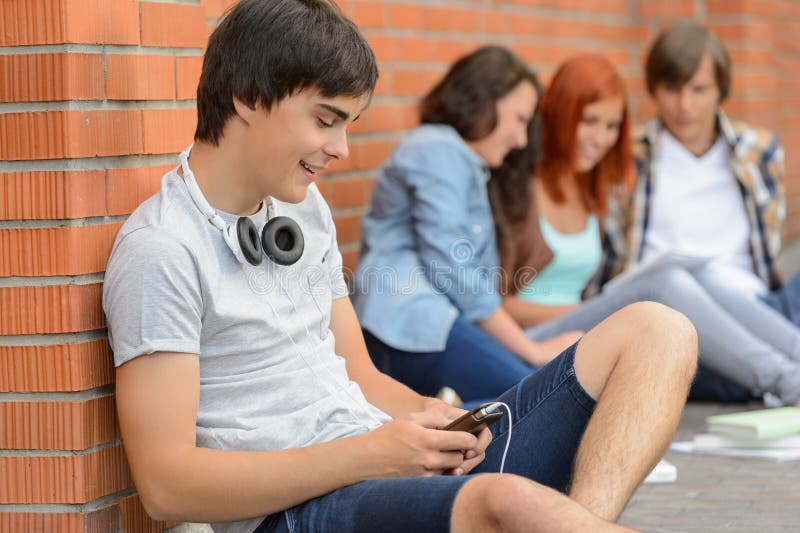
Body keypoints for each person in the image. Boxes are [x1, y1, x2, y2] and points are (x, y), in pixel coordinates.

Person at [103, 3, 697, 532]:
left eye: (347, 126)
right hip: (300, 508)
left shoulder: (301, 208)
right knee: (510, 505)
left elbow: (360, 376)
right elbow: (166, 486)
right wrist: (373, 455)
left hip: (382, 459)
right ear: (249, 98)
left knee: (659, 330)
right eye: (325, 119)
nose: (341, 150)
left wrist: (430, 417)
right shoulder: (163, 249)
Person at [488, 53, 777, 403]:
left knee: (702, 273)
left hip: (584, 332)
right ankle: (785, 381)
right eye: (589, 121)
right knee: (663, 284)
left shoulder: (590, 191)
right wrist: (594, 309)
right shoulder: (517, 188)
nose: (600, 138)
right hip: (533, 339)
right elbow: (493, 303)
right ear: (561, 113)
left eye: (611, 126)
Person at [578, 23, 800, 406]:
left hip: (756, 304)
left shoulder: (759, 150)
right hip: (677, 316)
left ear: (720, 90)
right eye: (671, 89)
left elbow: (771, 246)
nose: (685, 106)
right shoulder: (629, 155)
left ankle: (758, 375)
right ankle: (761, 378)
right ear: (654, 90)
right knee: (684, 289)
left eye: (699, 90)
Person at [352, 47, 582, 403]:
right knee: (541, 401)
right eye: (520, 119)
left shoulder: (461, 159)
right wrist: (531, 351)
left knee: (527, 400)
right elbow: (454, 269)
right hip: (407, 325)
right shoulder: (437, 149)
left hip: (430, 325)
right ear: (482, 101)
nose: (522, 140)